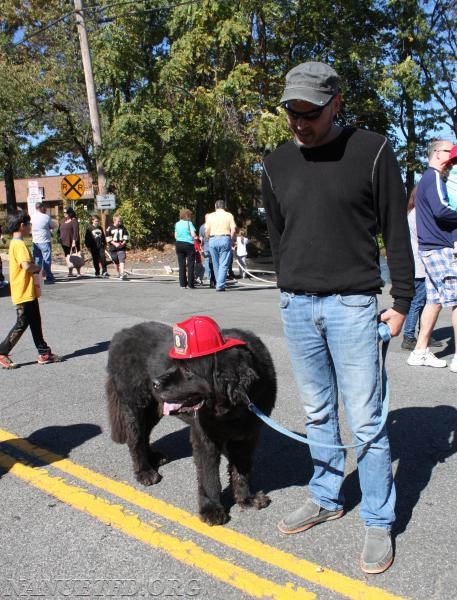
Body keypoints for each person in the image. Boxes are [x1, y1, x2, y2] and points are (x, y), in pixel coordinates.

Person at [262, 61, 414, 574]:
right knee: (317, 412)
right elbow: (278, 234)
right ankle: (327, 496)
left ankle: (377, 519)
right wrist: (288, 285)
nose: (300, 122)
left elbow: (397, 228)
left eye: (310, 112)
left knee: (367, 419)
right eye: (291, 112)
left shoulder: (372, 150)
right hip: (298, 306)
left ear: (336, 104)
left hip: (353, 306)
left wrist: (402, 302)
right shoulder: (275, 162)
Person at [407, 139, 457, 371]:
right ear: (437, 153)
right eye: (450, 151)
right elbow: (442, 211)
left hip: (429, 248)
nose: (453, 157)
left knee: (434, 301)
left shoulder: (426, 179)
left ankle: (419, 351)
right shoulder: (434, 177)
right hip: (440, 248)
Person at [0, 212, 60, 369]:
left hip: (27, 290)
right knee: (22, 322)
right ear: (22, 225)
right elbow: (26, 266)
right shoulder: (19, 244)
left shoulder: (16, 243)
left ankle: (44, 352)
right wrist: (39, 268)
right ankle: (2, 351)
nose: (30, 227)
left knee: (35, 321)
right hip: (23, 290)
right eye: (29, 224)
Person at [401, 188, 442, 350]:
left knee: (425, 301)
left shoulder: (415, 213)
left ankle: (423, 333)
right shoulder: (418, 214)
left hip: (420, 263)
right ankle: (409, 336)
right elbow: (425, 236)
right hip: (420, 264)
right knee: (418, 301)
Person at [205, 200, 236, 292]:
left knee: (215, 263)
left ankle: (219, 283)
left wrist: (209, 237)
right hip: (224, 238)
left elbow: (206, 230)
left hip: (213, 239)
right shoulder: (229, 215)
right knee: (224, 263)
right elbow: (233, 229)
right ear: (224, 206)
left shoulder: (210, 216)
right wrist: (231, 239)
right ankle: (220, 284)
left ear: (215, 207)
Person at [31, 202, 56, 284]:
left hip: (35, 241)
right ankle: (49, 277)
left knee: (37, 260)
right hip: (45, 241)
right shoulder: (46, 217)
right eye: (44, 208)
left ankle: (37, 276)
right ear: (41, 208)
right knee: (46, 259)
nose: (45, 209)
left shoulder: (32, 216)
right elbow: (52, 226)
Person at [174, 208, 197, 289]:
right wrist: (196, 238)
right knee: (190, 265)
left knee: (182, 265)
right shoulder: (189, 223)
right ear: (187, 215)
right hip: (188, 245)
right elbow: (193, 235)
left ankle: (182, 284)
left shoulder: (177, 224)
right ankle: (191, 284)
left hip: (179, 244)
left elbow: (175, 236)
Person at [58, 206, 81, 278]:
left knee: (75, 257)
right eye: (64, 212)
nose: (64, 214)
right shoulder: (62, 221)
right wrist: (59, 238)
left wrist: (74, 241)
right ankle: (70, 272)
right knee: (68, 257)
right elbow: (59, 230)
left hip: (72, 242)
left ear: (70, 213)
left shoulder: (74, 221)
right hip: (64, 242)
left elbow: (76, 232)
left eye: (66, 212)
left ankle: (78, 272)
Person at [106, 214, 129, 280]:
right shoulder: (109, 228)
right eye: (119, 221)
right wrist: (114, 243)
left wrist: (123, 243)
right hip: (113, 248)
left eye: (120, 221)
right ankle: (118, 273)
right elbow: (107, 238)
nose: (120, 222)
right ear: (114, 220)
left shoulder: (123, 227)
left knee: (121, 259)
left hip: (121, 247)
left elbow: (126, 237)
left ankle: (122, 273)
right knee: (116, 261)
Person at [199, 215, 216, 288]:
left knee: (207, 260)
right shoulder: (213, 226)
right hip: (212, 244)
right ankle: (214, 277)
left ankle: (207, 275)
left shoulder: (202, 227)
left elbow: (200, 238)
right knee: (214, 261)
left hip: (205, 245)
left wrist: (201, 245)